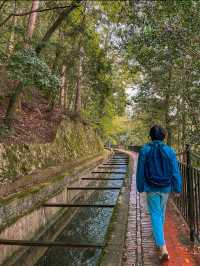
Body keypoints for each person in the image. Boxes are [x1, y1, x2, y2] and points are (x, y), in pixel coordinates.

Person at [136, 125, 182, 261]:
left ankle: (162, 248)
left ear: (150, 136)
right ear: (164, 136)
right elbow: (175, 171)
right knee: (160, 213)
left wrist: (140, 186)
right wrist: (177, 188)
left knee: (156, 214)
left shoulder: (145, 150)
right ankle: (159, 237)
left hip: (151, 187)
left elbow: (140, 171)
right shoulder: (170, 151)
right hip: (166, 188)